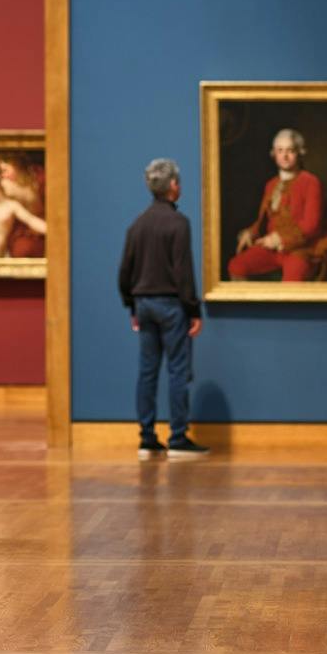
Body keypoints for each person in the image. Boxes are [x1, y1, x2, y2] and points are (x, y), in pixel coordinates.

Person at [117, 157, 207, 461]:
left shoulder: (137, 225)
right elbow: (183, 272)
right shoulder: (178, 223)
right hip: (171, 305)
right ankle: (178, 437)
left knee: (147, 372)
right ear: (172, 186)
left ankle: (147, 438)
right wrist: (194, 310)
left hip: (143, 304)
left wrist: (132, 305)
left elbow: (124, 272)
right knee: (178, 371)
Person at [226, 129, 327, 283]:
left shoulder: (311, 182)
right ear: (274, 154)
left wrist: (279, 239)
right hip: (271, 248)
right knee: (236, 266)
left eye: (290, 151)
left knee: (293, 279)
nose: (285, 156)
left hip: (303, 249)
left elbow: (312, 226)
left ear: (299, 153)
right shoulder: (271, 184)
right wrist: (251, 233)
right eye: (280, 151)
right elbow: (265, 220)